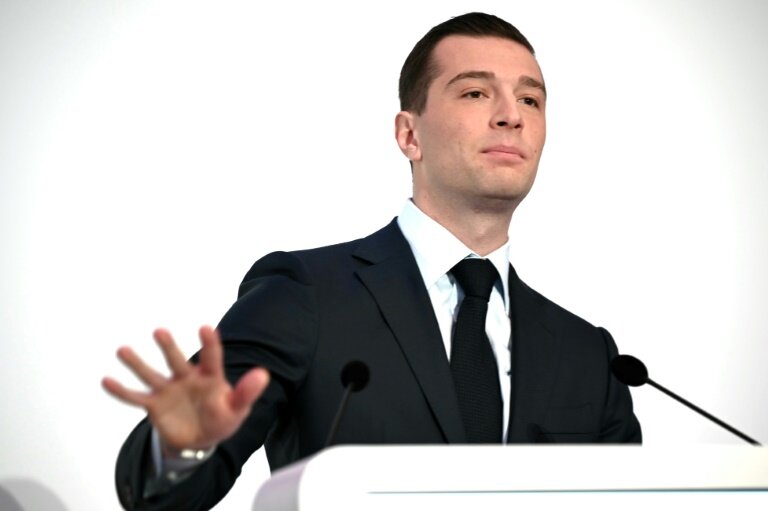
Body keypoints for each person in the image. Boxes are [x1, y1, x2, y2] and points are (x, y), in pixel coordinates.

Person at [103, 12, 641, 510]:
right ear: (409, 135)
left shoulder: (590, 355)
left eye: (531, 100)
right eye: (477, 92)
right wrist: (182, 445)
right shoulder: (304, 295)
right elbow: (157, 499)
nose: (510, 117)